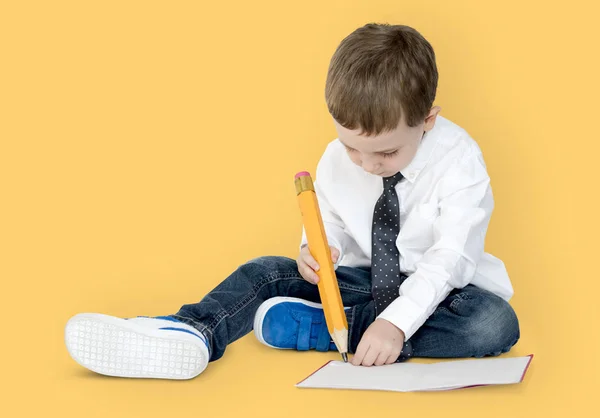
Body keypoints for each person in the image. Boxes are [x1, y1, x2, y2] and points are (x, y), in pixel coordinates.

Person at [64, 23, 520, 380]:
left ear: (428, 120)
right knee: (264, 272)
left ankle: (333, 329)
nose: (366, 164)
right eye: (352, 148)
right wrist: (316, 250)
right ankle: (193, 332)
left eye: (386, 153)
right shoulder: (337, 158)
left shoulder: (460, 161)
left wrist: (396, 325)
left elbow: (449, 259)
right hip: (359, 283)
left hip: (442, 294)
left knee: (493, 324)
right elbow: (328, 216)